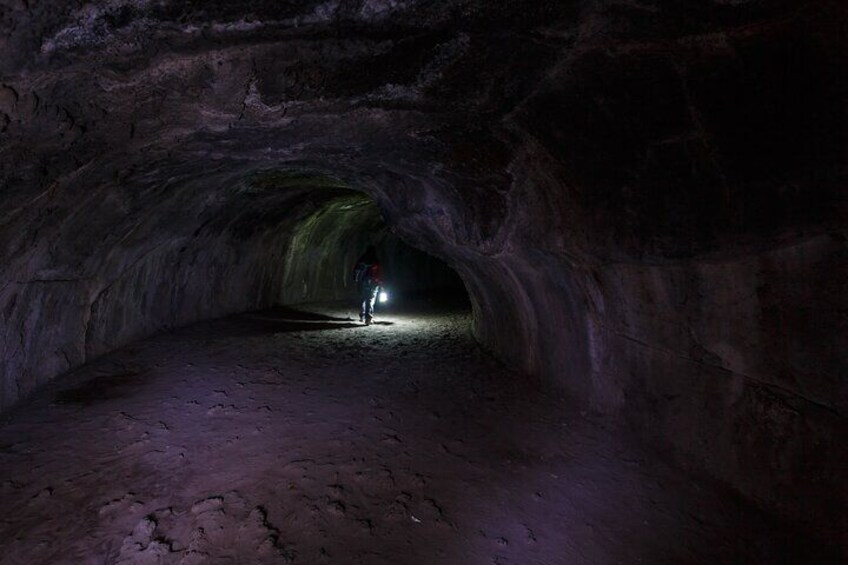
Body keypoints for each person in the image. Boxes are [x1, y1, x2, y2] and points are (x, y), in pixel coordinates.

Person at [352, 245, 383, 325]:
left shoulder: (362, 258)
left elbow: (356, 269)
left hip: (363, 281)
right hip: (373, 282)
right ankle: (368, 318)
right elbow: (378, 273)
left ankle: (362, 316)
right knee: (370, 299)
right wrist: (380, 283)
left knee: (364, 298)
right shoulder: (375, 260)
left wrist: (356, 280)